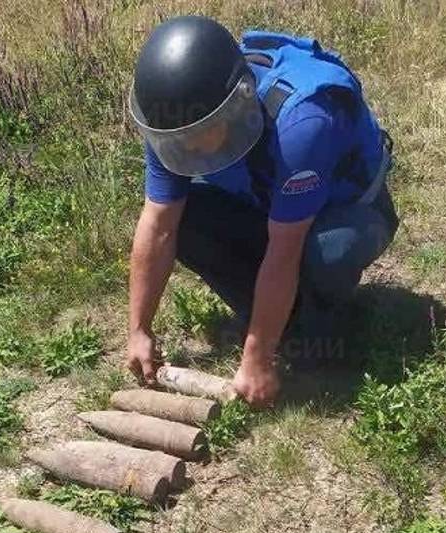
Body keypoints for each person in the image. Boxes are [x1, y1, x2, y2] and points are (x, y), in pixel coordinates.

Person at [124, 15, 399, 407]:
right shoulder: (174, 122)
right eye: (178, 140)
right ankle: (278, 322)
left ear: (238, 102)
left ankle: (323, 330)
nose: (188, 149)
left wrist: (256, 358)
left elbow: (284, 247)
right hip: (268, 203)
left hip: (346, 213)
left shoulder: (303, 120)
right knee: (188, 222)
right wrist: (139, 329)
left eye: (198, 137)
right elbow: (158, 225)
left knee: (325, 254)